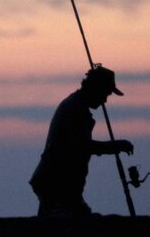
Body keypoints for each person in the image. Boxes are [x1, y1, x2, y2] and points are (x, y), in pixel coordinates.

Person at [29, 66, 134, 217]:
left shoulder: (76, 106)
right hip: (57, 184)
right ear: (96, 88)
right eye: (105, 93)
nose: (105, 100)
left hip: (58, 184)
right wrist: (115, 146)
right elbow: (81, 147)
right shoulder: (74, 109)